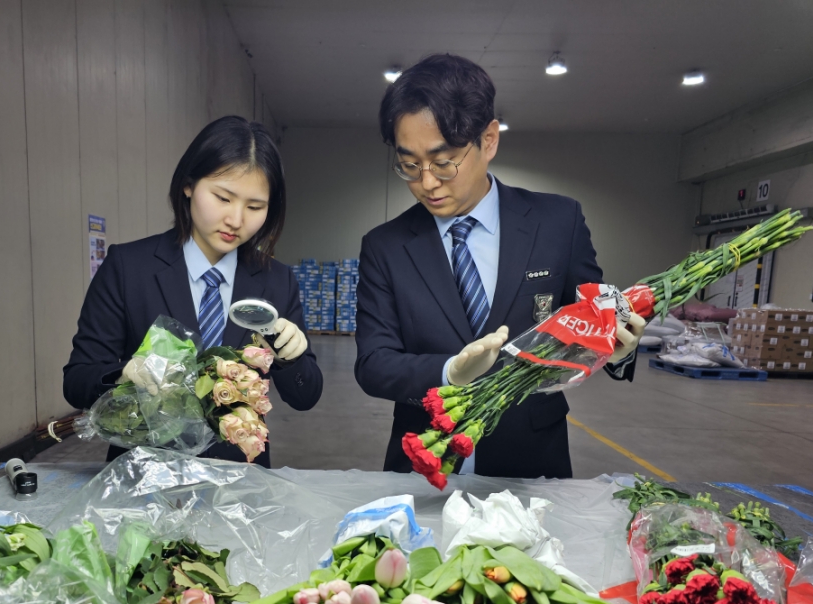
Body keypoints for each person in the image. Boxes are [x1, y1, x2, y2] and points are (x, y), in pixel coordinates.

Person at [355, 54, 643, 479]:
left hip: (531, 463)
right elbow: (374, 364)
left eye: (443, 160)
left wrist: (616, 348)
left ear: (488, 140)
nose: (427, 182)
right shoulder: (385, 246)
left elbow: (590, 316)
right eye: (410, 165)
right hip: (424, 462)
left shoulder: (557, 223)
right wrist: (449, 372)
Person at [64, 116, 322, 466]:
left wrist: (292, 358)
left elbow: (305, 396)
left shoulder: (275, 280)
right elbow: (77, 379)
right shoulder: (129, 267)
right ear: (188, 185)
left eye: (255, 207)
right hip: (141, 474)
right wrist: (122, 376)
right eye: (223, 197)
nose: (236, 219)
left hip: (240, 481)